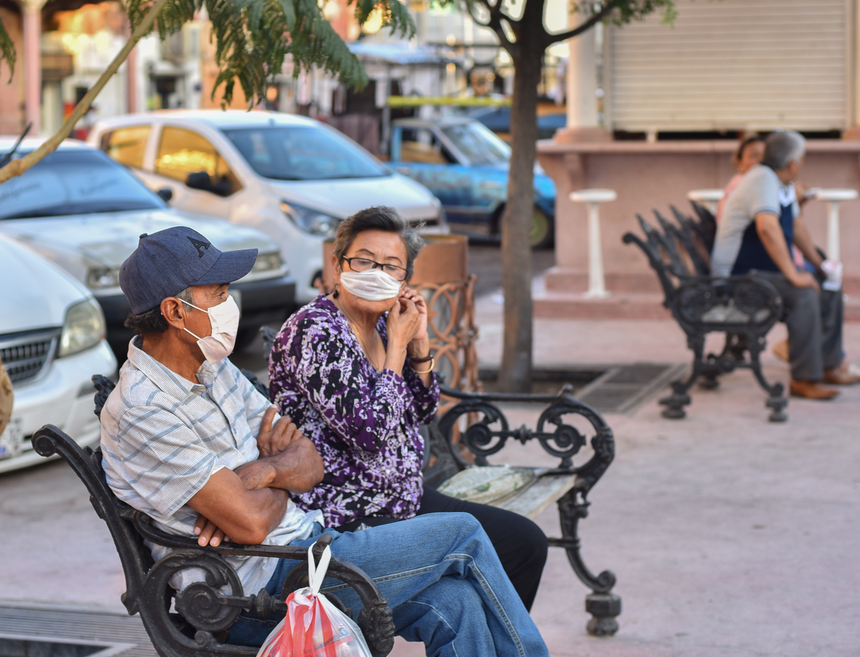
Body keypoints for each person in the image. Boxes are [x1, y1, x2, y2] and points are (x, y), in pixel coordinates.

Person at [99, 226, 549, 657]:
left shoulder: (211, 367)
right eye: (217, 294)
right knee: (464, 534)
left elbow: (308, 460)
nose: (228, 303)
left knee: (457, 603)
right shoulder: (143, 409)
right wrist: (269, 478)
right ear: (176, 312)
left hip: (308, 545)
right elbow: (253, 526)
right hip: (256, 591)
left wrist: (263, 473)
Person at [268, 206, 549, 610]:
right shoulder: (315, 332)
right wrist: (396, 349)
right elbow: (369, 436)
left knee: (524, 543)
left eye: (391, 266)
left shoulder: (385, 322)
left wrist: (419, 350)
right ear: (337, 264)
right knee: (461, 592)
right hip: (346, 512)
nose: (376, 272)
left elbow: (421, 412)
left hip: (403, 498)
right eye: (363, 260)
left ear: (404, 278)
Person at [710, 130, 860, 400]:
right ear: (793, 162)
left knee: (827, 286)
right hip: (739, 278)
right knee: (804, 295)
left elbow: (796, 226)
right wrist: (794, 275)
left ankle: (829, 365)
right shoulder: (761, 180)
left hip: (761, 272)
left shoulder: (780, 182)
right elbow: (767, 229)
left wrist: (821, 266)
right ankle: (804, 379)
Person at [716, 135, 766, 224]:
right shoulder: (742, 186)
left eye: (765, 155)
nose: (761, 160)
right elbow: (766, 228)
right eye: (754, 155)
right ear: (739, 163)